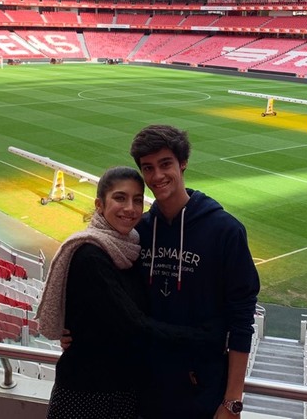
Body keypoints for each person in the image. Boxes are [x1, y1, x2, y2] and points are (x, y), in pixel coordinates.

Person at [37, 166, 221, 419]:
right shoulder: (91, 255)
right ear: (100, 204)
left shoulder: (129, 248)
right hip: (87, 390)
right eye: (120, 198)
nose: (130, 209)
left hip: (124, 387)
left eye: (137, 199)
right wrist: (205, 337)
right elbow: (134, 324)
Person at [130, 124, 260, 419]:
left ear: (183, 163)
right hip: (146, 387)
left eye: (166, 164)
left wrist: (232, 401)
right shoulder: (140, 231)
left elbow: (242, 319)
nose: (157, 176)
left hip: (202, 389)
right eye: (148, 168)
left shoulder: (226, 231)